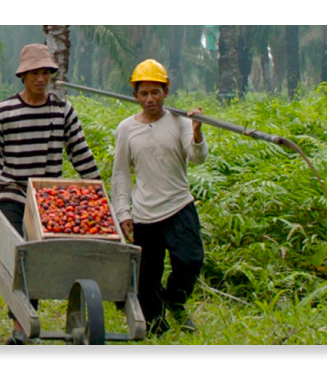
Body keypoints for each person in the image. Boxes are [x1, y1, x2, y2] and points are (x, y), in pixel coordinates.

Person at [0, 44, 101, 345]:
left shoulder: (62, 110)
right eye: (35, 73)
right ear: (22, 76)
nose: (41, 78)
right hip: (12, 193)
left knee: (38, 260)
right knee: (20, 256)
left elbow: (80, 152)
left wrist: (99, 192)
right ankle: (21, 329)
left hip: (48, 198)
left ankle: (30, 324)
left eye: (46, 72)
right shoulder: (3, 112)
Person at [112, 59, 209, 336]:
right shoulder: (126, 129)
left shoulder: (179, 121)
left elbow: (196, 158)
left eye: (155, 92)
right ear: (135, 96)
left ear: (166, 91)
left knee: (191, 261)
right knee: (146, 282)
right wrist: (123, 213)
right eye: (144, 94)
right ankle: (158, 329)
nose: (150, 99)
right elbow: (120, 174)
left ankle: (175, 301)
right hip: (144, 214)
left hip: (179, 205)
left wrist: (198, 132)